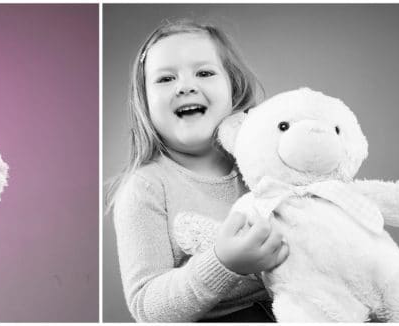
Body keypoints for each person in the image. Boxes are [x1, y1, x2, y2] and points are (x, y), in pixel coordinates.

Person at [109, 19, 287, 322]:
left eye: (204, 73)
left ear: (233, 86)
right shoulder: (146, 188)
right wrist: (223, 263)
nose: (185, 86)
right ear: (145, 101)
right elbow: (147, 307)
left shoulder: (265, 164)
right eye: (165, 79)